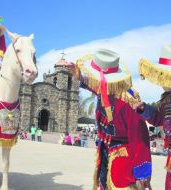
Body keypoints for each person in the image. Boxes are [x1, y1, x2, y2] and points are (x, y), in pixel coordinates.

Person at [62, 49, 152, 189]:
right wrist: (79, 76)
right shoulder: (103, 89)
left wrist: (142, 174)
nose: (95, 82)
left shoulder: (128, 101)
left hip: (122, 157)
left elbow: (140, 138)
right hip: (105, 150)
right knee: (103, 183)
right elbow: (95, 88)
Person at [135, 44, 171, 189]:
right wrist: (144, 109)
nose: (161, 81)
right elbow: (157, 119)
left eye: (165, 76)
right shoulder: (167, 101)